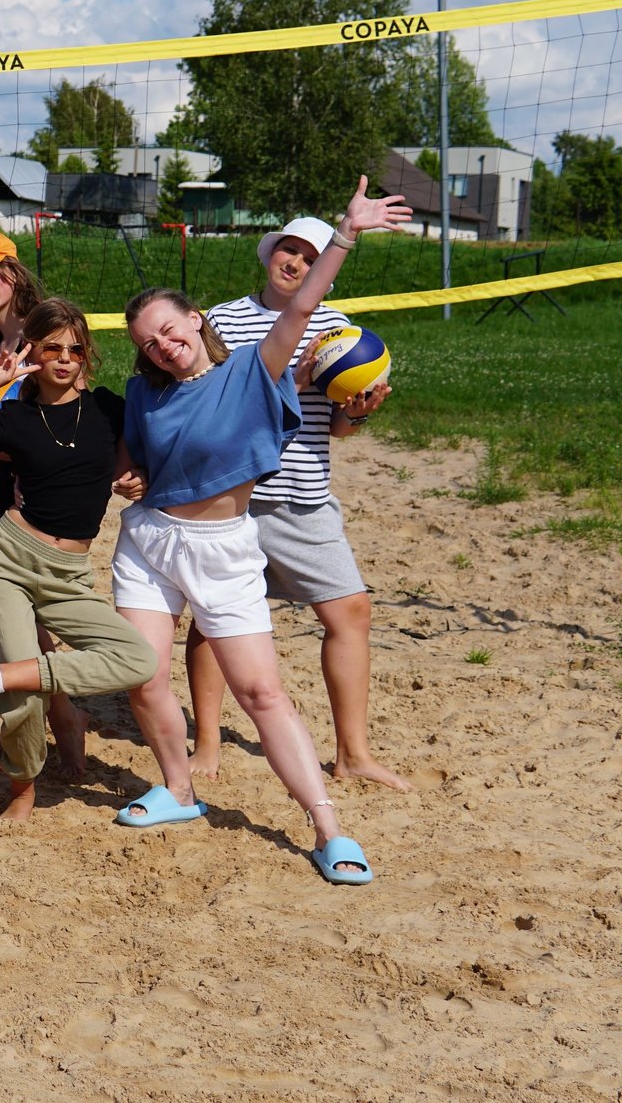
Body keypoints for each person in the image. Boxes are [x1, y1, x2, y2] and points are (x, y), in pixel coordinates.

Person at [107, 176, 409, 886]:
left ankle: (327, 825)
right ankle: (179, 789)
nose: (163, 345)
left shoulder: (254, 368)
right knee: (144, 677)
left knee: (263, 694)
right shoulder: (144, 393)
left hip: (223, 548)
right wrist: (126, 475)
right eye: (149, 342)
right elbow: (133, 457)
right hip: (149, 544)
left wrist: (347, 231)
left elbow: (304, 303)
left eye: (171, 329)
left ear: (194, 318)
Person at [0, 299, 157, 821]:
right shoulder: (15, 419)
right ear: (34, 354)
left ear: (87, 355)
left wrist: (134, 473)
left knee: (138, 659)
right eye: (53, 348)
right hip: (7, 561)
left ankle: (2, 678)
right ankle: (22, 788)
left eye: (75, 348)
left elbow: (130, 459)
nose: (65, 358)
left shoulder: (109, 409)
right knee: (24, 702)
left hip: (70, 573)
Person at [188, 219, 409, 791]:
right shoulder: (223, 320)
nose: (296, 263)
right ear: (270, 253)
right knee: (213, 622)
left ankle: (353, 753)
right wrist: (289, 372)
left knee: (350, 611)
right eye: (289, 249)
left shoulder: (337, 328)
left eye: (312, 258)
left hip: (304, 494)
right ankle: (207, 742)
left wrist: (357, 411)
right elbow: (215, 402)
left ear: (325, 274)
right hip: (233, 495)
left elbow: (335, 428)